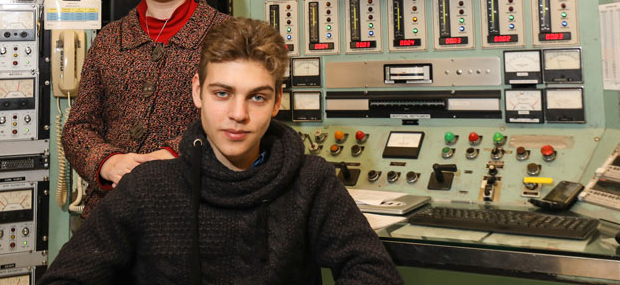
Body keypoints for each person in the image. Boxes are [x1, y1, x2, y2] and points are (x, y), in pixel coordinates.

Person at [40, 17, 403, 284]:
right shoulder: (147, 188)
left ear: (278, 102)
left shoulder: (311, 180)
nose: (238, 114)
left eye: (257, 97)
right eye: (222, 93)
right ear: (198, 91)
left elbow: (374, 273)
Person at [63, 0, 229, 217]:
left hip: (194, 212)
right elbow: (78, 128)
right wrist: (107, 162)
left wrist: (174, 154)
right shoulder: (109, 39)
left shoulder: (226, 37)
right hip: (111, 211)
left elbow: (239, 120)